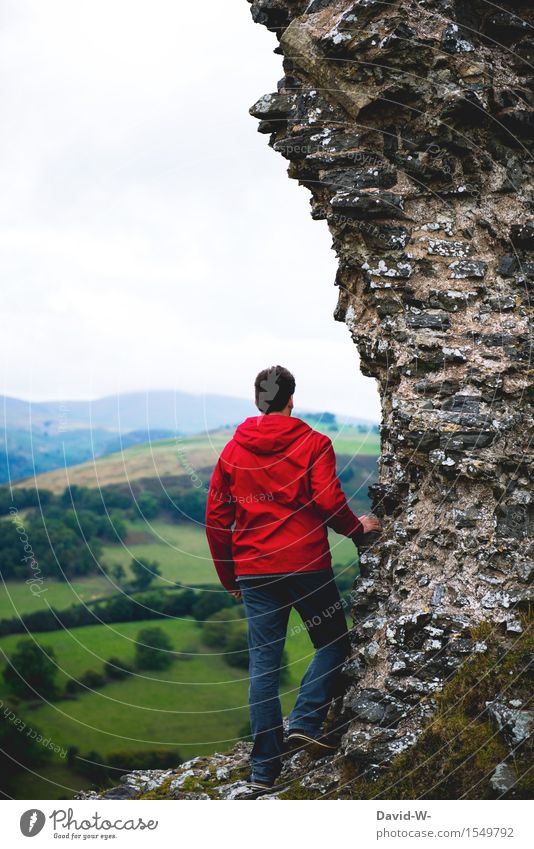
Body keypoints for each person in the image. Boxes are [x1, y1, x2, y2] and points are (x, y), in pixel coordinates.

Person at [205, 365, 382, 796]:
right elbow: (326, 500)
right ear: (291, 400)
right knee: (334, 643)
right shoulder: (313, 443)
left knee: (263, 667)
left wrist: (230, 576)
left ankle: (263, 771)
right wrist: (358, 530)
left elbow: (215, 519)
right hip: (306, 567)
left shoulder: (232, 452)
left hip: (253, 572)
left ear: (256, 401)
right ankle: (304, 722)